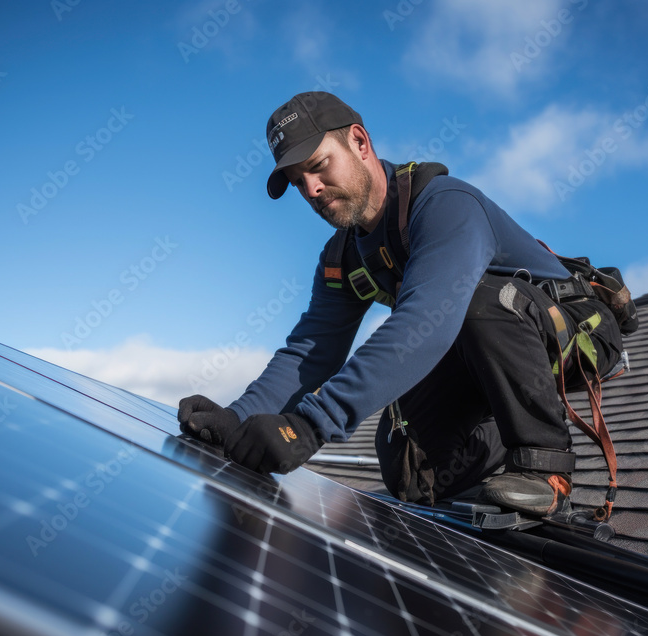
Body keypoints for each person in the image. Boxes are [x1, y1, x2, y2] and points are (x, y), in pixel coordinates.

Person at [179, 92, 624, 516]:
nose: (311, 189)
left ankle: (545, 472)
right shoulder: (342, 258)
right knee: (406, 463)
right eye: (299, 182)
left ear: (359, 141)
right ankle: (489, 472)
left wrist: (310, 426)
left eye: (318, 166)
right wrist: (236, 421)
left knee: (472, 300)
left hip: (573, 333)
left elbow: (423, 324)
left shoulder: (445, 205)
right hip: (476, 350)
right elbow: (309, 352)